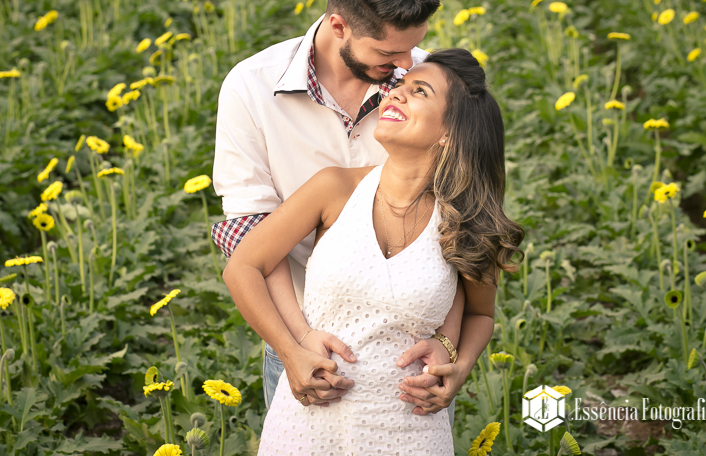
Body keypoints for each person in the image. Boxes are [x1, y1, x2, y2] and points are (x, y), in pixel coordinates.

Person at [212, 0, 479, 420]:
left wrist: (448, 344)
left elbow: (456, 227)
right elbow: (251, 238)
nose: (403, 66)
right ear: (339, 25)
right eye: (387, 51)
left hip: (410, 354)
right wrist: (296, 343)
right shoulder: (251, 88)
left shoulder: (428, 87)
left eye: (412, 48)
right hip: (307, 339)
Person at [223, 48, 524, 453]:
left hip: (411, 430)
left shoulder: (465, 220)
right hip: (309, 424)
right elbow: (242, 266)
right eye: (398, 85)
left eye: (419, 91)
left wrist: (458, 360)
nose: (394, 94)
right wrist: (291, 350)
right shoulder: (335, 188)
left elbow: (479, 313)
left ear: (449, 131)